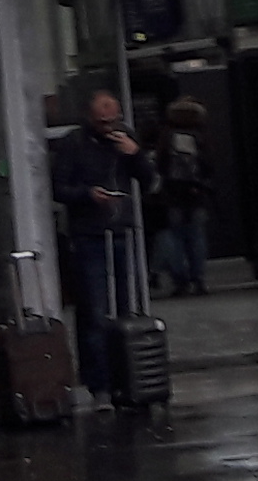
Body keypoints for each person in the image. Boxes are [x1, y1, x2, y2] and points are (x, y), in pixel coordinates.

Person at [46, 88, 150, 399]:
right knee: (94, 310)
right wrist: (87, 194)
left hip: (121, 231)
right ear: (90, 117)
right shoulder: (74, 143)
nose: (110, 124)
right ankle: (99, 383)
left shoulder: (124, 138)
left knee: (124, 307)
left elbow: (149, 179)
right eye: (103, 118)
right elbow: (59, 188)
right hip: (89, 234)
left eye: (113, 117)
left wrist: (135, 153)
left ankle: (125, 380)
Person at [151, 98, 213, 298]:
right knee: (196, 237)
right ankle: (199, 279)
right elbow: (208, 165)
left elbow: (159, 165)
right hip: (196, 193)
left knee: (175, 239)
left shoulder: (167, 136)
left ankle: (181, 281)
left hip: (173, 194)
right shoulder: (201, 136)